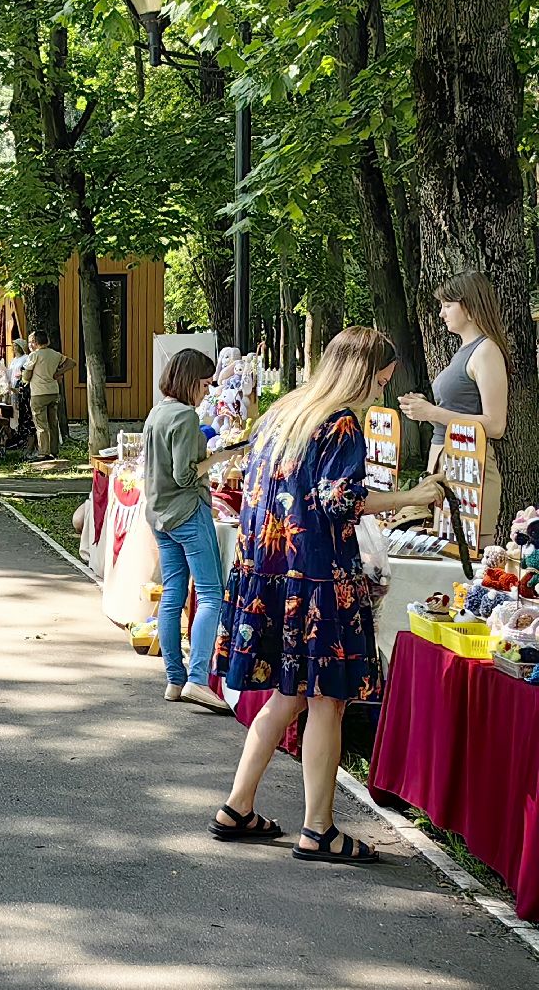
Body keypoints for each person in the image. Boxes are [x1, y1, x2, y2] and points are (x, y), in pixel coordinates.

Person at [211, 327, 443, 861]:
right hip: (317, 583)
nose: (383, 390)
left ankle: (238, 805)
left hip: (271, 576)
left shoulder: (284, 414)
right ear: (364, 372)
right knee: (326, 702)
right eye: (382, 379)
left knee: (286, 697)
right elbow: (339, 502)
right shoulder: (340, 424)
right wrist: (413, 495)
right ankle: (319, 829)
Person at [143, 349, 246, 712]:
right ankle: (198, 680)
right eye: (204, 384)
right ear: (189, 380)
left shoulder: (157, 411)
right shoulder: (185, 416)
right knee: (210, 594)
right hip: (187, 513)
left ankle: (175, 678)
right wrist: (220, 457)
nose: (206, 391)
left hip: (159, 515)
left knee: (173, 595)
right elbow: (186, 475)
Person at [399, 271, 510, 546]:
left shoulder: (486, 351)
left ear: (470, 307)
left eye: (447, 306)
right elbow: (457, 409)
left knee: (467, 562)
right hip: (448, 465)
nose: (441, 313)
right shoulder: (465, 350)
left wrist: (432, 413)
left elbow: (496, 425)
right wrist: (426, 407)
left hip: (470, 469)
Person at [21, 331, 75, 461]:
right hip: (53, 391)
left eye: (30, 342)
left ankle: (43, 452)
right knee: (53, 422)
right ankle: (54, 450)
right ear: (48, 341)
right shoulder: (55, 354)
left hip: (39, 393)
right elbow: (71, 363)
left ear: (34, 342)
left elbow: (27, 375)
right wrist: (58, 373)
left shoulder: (34, 355)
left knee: (41, 424)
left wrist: (23, 379)